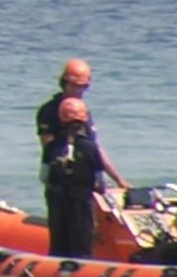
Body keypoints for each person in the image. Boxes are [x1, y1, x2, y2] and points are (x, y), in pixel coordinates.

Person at [35, 58, 128, 188]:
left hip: (87, 176)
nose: (78, 91)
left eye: (83, 87)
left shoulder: (82, 111)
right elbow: (48, 149)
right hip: (60, 178)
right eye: (74, 86)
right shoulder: (48, 111)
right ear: (64, 83)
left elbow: (95, 149)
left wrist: (118, 180)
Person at [43, 97, 105, 258]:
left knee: (58, 244)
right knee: (82, 244)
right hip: (81, 202)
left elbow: (44, 176)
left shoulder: (52, 147)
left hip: (57, 202)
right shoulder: (91, 148)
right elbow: (99, 182)